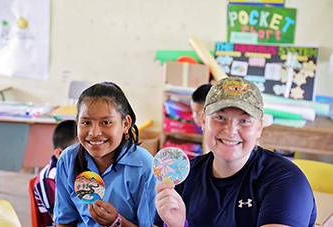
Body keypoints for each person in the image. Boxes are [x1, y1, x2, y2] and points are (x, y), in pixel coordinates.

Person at [154, 76, 316, 227]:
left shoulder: (285, 181)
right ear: (203, 121)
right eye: (220, 118)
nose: (231, 131)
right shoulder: (182, 177)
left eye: (244, 121)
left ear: (259, 127)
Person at [54, 82, 158, 227]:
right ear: (77, 123)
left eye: (106, 122)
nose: (94, 133)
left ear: (125, 124)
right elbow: (64, 221)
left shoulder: (144, 166)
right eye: (86, 123)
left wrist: (117, 223)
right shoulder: (68, 159)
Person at [34, 119, 78, 227]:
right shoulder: (49, 179)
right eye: (78, 151)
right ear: (60, 153)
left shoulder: (75, 169)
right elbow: (61, 220)